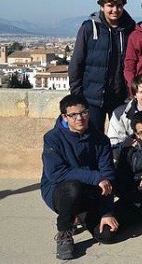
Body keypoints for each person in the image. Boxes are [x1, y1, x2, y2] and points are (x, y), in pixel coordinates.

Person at [41, 95, 119, 260]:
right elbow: (56, 173)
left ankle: (80, 214)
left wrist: (107, 212)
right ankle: (64, 232)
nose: (79, 118)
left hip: (90, 192)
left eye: (84, 113)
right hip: (60, 190)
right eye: (73, 115)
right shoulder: (52, 138)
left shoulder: (101, 140)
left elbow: (108, 175)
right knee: (73, 188)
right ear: (64, 117)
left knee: (106, 235)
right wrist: (95, 177)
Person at [69, 0, 136, 132]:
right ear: (102, 6)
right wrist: (77, 94)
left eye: (119, 5)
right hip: (92, 97)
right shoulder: (88, 28)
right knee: (93, 139)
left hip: (119, 97)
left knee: (122, 139)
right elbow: (76, 62)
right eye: (110, 6)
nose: (115, 10)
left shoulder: (130, 29)